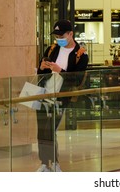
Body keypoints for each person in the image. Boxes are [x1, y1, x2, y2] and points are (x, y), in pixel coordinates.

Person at [36, 19, 88, 172]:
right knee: (42, 130)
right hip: (44, 94)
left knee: (51, 129)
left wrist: (60, 71)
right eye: (56, 36)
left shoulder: (81, 55)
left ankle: (55, 162)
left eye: (61, 35)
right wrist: (42, 67)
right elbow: (42, 74)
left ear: (71, 34)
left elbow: (77, 80)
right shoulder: (52, 49)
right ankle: (45, 164)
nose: (58, 39)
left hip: (61, 97)